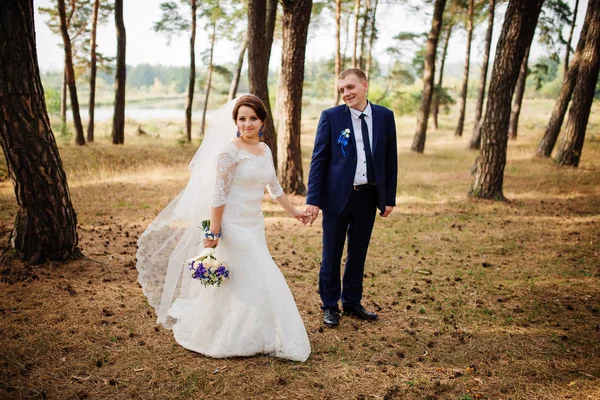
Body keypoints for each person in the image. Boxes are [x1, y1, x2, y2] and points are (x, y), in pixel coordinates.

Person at [136, 95, 311, 362]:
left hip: (254, 222)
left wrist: (295, 212)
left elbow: (274, 187)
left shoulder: (265, 150)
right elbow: (218, 195)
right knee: (263, 271)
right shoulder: (229, 152)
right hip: (232, 224)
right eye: (242, 118)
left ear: (262, 120)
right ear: (235, 122)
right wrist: (214, 232)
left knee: (243, 276)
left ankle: (253, 331)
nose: (247, 123)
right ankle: (230, 334)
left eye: (253, 118)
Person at [305, 68, 398, 328]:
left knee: (358, 253)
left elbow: (390, 160)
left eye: (350, 87)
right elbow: (318, 161)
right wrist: (313, 199)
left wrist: (388, 197)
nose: (346, 93)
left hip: (368, 197)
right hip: (336, 197)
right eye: (342, 89)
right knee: (331, 255)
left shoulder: (384, 117)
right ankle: (330, 305)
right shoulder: (331, 117)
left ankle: (353, 302)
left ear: (364, 85)